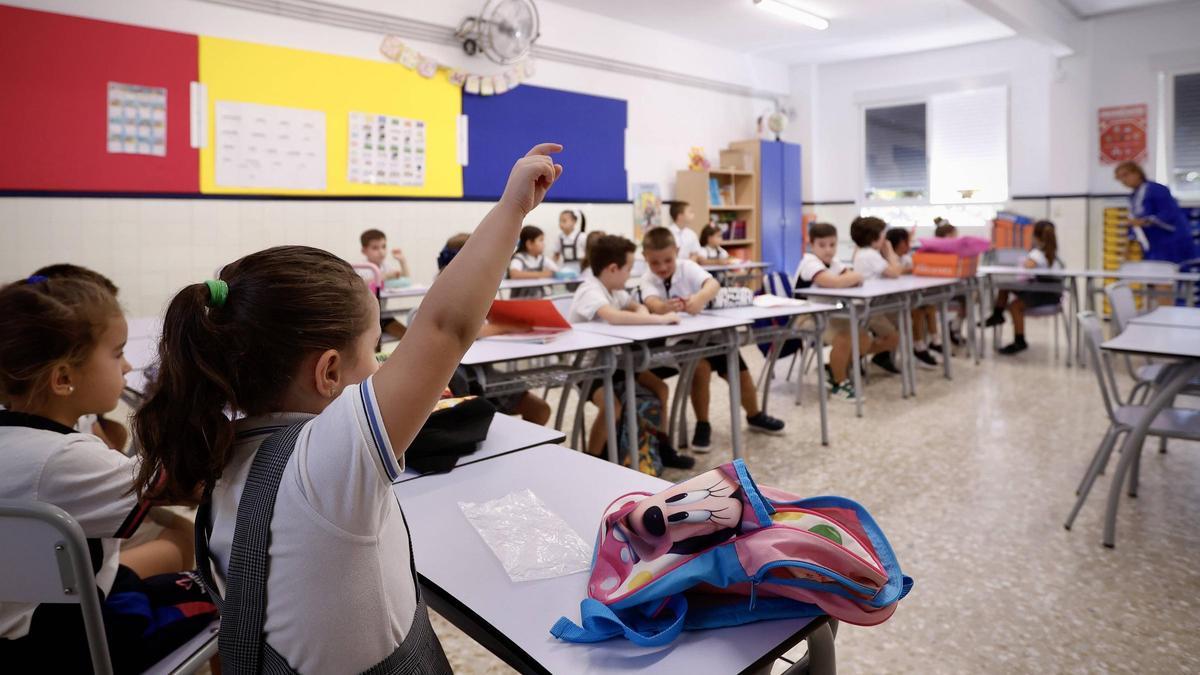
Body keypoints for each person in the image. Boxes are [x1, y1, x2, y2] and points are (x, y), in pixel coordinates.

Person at [132, 143, 566, 673]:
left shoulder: (222, 450)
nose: (384, 367)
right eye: (372, 350)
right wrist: (512, 209)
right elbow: (445, 327)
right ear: (329, 372)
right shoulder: (327, 462)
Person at [0, 275, 215, 673]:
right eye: (117, 354)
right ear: (63, 378)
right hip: (54, 645)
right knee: (223, 597)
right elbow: (194, 485)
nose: (129, 365)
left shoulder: (24, 440)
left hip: (26, 624)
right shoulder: (63, 458)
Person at [639, 228, 785, 451]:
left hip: (712, 335)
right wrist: (664, 307)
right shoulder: (647, 279)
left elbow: (713, 285)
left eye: (668, 260)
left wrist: (699, 298)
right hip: (679, 341)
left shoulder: (688, 267)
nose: (662, 268)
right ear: (645, 259)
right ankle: (703, 423)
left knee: (739, 372)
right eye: (655, 263)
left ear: (677, 252)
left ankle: (754, 415)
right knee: (700, 369)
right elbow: (652, 303)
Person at [567, 234, 687, 464]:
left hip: (617, 363)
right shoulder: (589, 290)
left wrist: (642, 313)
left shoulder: (615, 291)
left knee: (660, 389)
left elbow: (637, 307)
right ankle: (592, 460)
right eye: (629, 268)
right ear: (613, 269)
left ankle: (663, 450)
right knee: (613, 407)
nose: (630, 273)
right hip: (588, 369)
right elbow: (613, 316)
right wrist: (659, 320)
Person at [437, 232, 551, 425]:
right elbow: (470, 331)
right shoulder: (446, 291)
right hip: (462, 378)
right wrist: (509, 327)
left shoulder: (478, 286)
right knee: (536, 410)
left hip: (483, 371)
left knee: (540, 410)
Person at [795, 223, 897, 402]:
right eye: (822, 245)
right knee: (845, 337)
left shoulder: (834, 262)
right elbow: (834, 282)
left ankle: (833, 368)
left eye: (832, 245)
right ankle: (838, 383)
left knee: (863, 338)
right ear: (811, 245)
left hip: (829, 315)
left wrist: (850, 278)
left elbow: (853, 279)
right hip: (806, 316)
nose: (828, 250)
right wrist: (851, 277)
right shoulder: (809, 262)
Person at [983, 220, 1064, 355]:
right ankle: (997, 315)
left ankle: (1019, 341)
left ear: (1035, 236)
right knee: (1005, 287)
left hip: (1043, 293)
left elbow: (1025, 268)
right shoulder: (1054, 254)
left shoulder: (1036, 254)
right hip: (1050, 292)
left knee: (1015, 306)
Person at [1114, 161, 1197, 264]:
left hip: (1170, 241)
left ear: (1137, 173)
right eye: (1120, 178)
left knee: (1171, 273)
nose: (1124, 181)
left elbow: (1169, 214)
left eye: (1125, 175)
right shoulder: (1134, 196)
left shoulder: (1157, 189)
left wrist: (1145, 221)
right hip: (1152, 244)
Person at [849, 216, 902, 375]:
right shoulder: (869, 254)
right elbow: (895, 272)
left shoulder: (865, 253)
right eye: (883, 234)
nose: (885, 238)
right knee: (894, 336)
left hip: (874, 305)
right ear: (874, 238)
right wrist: (890, 251)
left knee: (899, 319)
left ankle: (880, 357)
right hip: (868, 308)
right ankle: (853, 356)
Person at [885, 229, 941, 369]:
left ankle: (934, 340)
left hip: (905, 298)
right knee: (916, 310)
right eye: (907, 242)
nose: (910, 245)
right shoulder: (886, 259)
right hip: (890, 302)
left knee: (929, 306)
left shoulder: (905, 258)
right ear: (900, 243)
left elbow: (914, 268)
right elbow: (896, 272)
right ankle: (919, 347)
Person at [361, 228, 409, 341]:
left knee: (407, 336)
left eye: (383, 247)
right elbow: (363, 284)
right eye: (375, 248)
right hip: (367, 318)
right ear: (364, 250)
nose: (381, 251)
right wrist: (385, 276)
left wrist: (402, 261)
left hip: (383, 316)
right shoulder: (364, 268)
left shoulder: (385, 266)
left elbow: (405, 280)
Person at [509, 224, 559, 298]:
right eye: (540, 240)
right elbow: (515, 274)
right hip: (520, 299)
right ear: (529, 244)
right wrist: (543, 274)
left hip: (539, 298)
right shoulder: (519, 258)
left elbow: (556, 271)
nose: (543, 244)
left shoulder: (542, 259)